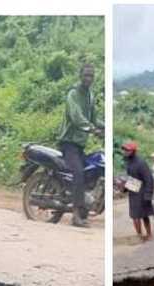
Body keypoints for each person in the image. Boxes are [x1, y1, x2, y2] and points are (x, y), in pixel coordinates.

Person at [57, 62, 101, 228]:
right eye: (86, 75)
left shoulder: (90, 95)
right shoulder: (73, 94)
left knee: (91, 172)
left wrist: (104, 126)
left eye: (91, 75)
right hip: (69, 142)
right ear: (80, 76)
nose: (88, 78)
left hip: (80, 145)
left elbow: (94, 119)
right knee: (79, 174)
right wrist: (92, 129)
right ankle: (75, 215)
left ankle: (84, 209)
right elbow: (76, 117)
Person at [123, 142, 154, 241]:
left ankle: (149, 234)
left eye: (128, 150)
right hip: (133, 190)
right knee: (135, 215)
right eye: (125, 150)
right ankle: (139, 235)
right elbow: (131, 178)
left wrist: (148, 194)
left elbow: (149, 179)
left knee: (144, 215)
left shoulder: (141, 163)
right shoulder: (128, 161)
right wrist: (125, 187)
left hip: (142, 191)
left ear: (133, 151)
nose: (125, 152)